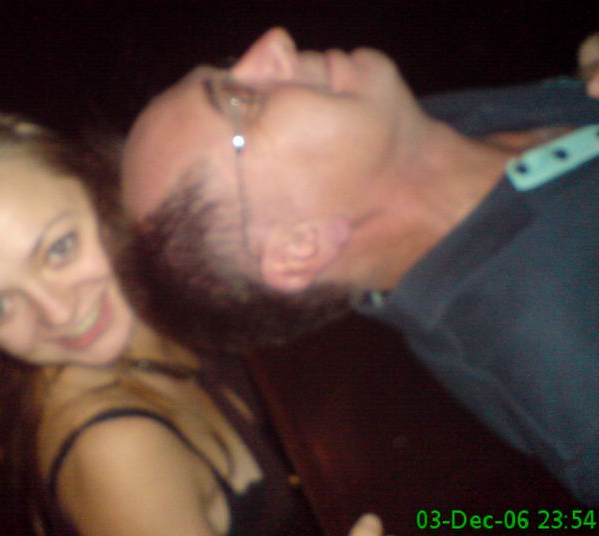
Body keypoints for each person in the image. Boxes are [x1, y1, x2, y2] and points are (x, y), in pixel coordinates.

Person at [119, 27, 599, 505]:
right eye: (244, 101)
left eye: (228, 68)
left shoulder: (429, 129)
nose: (274, 42)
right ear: (300, 246)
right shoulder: (567, 357)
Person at [0, 109, 341, 535]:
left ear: (99, 186)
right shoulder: (116, 450)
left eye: (59, 248)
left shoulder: (172, 281)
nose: (58, 314)